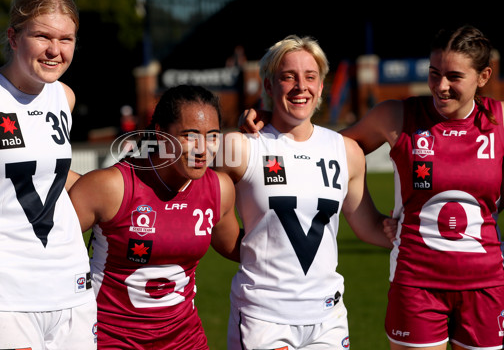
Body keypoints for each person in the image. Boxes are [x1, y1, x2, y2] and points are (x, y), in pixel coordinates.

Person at [241, 25, 504, 350]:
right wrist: (276, 117)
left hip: (486, 282)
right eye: (434, 73)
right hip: (416, 279)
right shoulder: (397, 116)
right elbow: (325, 146)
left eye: (454, 76)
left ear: (483, 76)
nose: (441, 86)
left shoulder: (501, 122)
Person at [215, 35, 392, 350]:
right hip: (263, 317)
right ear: (268, 87)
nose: (301, 86)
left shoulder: (346, 151)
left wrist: (423, 233)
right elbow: (204, 208)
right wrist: (246, 251)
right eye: (288, 77)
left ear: (322, 85)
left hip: (328, 318)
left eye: (310, 77)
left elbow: (368, 227)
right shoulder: (240, 147)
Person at [0, 0, 97, 349]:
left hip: (71, 285)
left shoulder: (64, 97)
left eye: (66, 39)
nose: (55, 50)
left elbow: (53, 178)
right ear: (13, 37)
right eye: (42, 36)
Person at [68, 84, 241, 349]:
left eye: (213, 136)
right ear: (160, 134)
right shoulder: (112, 186)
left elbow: (240, 248)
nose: (203, 149)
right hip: (111, 340)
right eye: (190, 135)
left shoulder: (219, 188)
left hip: (186, 340)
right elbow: (49, 250)